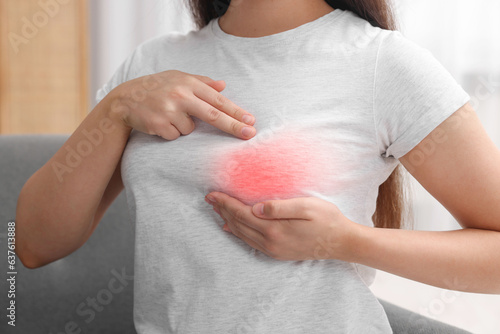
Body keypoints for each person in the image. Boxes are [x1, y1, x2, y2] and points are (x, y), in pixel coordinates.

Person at [15, 0, 500, 332]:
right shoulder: (151, 62)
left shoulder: (383, 65)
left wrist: (348, 241)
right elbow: (33, 244)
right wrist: (116, 108)